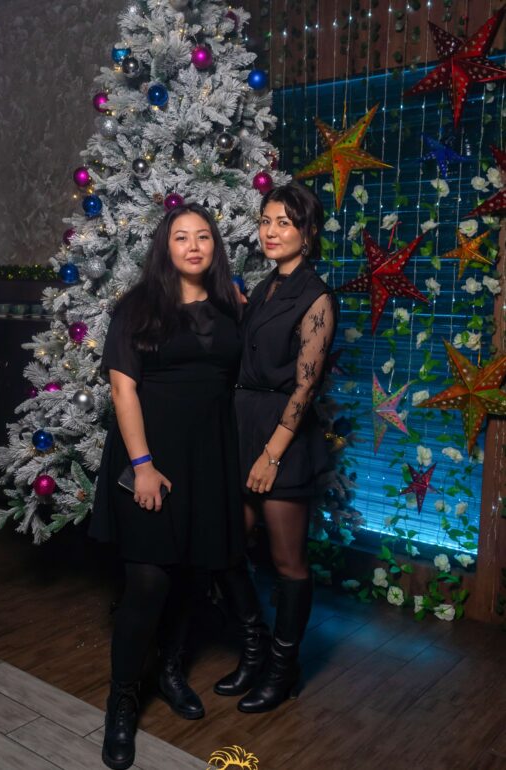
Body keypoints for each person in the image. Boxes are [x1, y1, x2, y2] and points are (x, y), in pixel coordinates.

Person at [89, 203, 244, 770]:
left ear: (215, 247)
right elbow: (123, 391)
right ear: (166, 247)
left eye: (203, 236)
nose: (193, 246)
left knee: (192, 574)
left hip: (210, 460)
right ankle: (122, 700)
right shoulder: (137, 308)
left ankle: (172, 671)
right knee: (149, 580)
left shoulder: (230, 306)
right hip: (150, 458)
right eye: (181, 237)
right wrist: (143, 465)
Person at [213, 181, 337, 713]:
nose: (270, 231)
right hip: (242, 425)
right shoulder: (263, 288)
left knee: (288, 562)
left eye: (284, 223)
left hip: (282, 435)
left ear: (307, 232)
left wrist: (272, 454)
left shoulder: (316, 296)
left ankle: (284, 670)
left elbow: (306, 388)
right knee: (224, 548)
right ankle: (254, 647)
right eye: (266, 221)